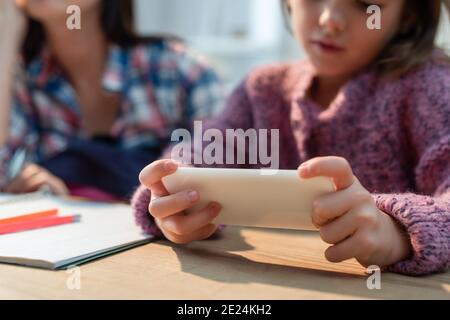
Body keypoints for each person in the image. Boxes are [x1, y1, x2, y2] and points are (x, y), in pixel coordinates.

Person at [133, 0, 450, 276]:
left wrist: (398, 233)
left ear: (409, 14)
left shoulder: (433, 89)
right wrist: (171, 194)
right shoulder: (263, 88)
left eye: (366, 3)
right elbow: (204, 150)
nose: (330, 20)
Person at [0, 0, 223, 200]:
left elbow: (220, 174)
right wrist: (4, 37)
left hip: (168, 241)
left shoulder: (181, 70)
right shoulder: (19, 79)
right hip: (73, 239)